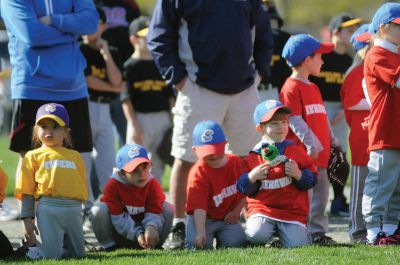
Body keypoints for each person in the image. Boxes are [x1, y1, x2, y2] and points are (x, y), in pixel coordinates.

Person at [147, 0, 273, 249]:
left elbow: (264, 31)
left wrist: (259, 73)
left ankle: (256, 223)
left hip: (244, 88)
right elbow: (158, 36)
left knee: (251, 159)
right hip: (197, 86)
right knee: (185, 160)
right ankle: (179, 226)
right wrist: (179, 79)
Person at [1, 0, 98, 186]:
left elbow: (91, 23)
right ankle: (29, 214)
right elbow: (32, 34)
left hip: (73, 88)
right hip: (32, 87)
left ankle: (70, 213)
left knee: (74, 159)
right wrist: (71, 34)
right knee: (30, 158)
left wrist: (53, 20)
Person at [280, 34, 338, 245]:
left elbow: (322, 116)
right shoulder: (291, 87)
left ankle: (318, 233)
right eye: (320, 57)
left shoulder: (313, 87)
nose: (323, 61)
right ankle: (302, 231)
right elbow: (294, 120)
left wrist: (333, 139)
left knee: (322, 196)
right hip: (304, 156)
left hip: (320, 155)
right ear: (307, 60)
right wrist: (311, 145)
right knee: (304, 197)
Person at [237, 100, 317, 248]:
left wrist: (299, 175)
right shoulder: (254, 156)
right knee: (255, 235)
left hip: (292, 212)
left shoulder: (297, 152)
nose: (281, 127)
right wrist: (251, 177)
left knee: (298, 245)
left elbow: (312, 179)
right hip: (263, 210)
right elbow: (242, 188)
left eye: (284, 122)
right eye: (274, 123)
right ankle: (267, 239)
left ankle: (284, 238)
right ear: (260, 128)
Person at [15, 103, 88, 259]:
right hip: (48, 208)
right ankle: (30, 249)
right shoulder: (33, 156)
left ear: (66, 132)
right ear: (36, 131)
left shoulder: (75, 156)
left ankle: (61, 247)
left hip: (73, 209)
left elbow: (81, 185)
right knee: (50, 256)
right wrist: (27, 219)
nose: (48, 131)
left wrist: (80, 209)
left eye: (55, 127)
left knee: (78, 255)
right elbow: (25, 190)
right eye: (43, 126)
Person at [310, 13, 361, 216]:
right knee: (315, 154)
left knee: (338, 156)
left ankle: (339, 200)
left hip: (340, 109)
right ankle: (312, 201)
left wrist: (343, 109)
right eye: (348, 30)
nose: (352, 34)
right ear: (335, 32)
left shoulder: (350, 60)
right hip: (317, 108)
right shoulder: (322, 55)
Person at [362, 2, 400, 246]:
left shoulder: (394, 53)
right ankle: (373, 232)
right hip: (385, 131)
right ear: (384, 28)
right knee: (381, 184)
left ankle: (390, 228)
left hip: (396, 130)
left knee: (396, 186)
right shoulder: (377, 54)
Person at [80, 6, 123, 216]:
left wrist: (106, 53)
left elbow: (117, 80)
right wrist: (114, 88)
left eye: (95, 22)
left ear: (104, 25)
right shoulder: (79, 48)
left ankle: (109, 207)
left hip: (105, 109)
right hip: (85, 106)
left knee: (108, 162)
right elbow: (88, 80)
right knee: (84, 161)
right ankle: (86, 208)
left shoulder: (110, 51)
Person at [90, 144, 174, 250]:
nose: (142, 174)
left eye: (145, 167)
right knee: (98, 210)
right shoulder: (113, 185)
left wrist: (151, 227)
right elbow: (118, 219)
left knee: (169, 208)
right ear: (122, 174)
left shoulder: (152, 184)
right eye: (134, 170)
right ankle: (109, 246)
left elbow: (155, 211)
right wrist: (138, 233)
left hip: (147, 234)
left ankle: (155, 245)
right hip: (120, 234)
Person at [122, 16, 175, 185]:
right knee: (135, 161)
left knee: (158, 162)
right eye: (145, 36)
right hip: (140, 118)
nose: (150, 38)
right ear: (133, 39)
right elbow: (126, 99)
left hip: (162, 118)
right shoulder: (130, 66)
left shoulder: (160, 64)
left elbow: (170, 96)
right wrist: (134, 124)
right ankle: (133, 201)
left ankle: (155, 201)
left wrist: (173, 120)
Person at [185, 120, 246, 249]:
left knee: (236, 243)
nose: (213, 154)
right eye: (207, 151)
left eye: (216, 149)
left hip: (226, 217)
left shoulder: (237, 163)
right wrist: (201, 232)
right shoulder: (198, 173)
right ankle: (198, 235)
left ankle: (223, 238)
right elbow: (199, 207)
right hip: (203, 218)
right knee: (198, 245)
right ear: (195, 150)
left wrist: (236, 211)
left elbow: (246, 192)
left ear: (226, 144)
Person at [340, 24, 372, 243]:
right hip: (362, 137)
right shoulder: (356, 72)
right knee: (360, 189)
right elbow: (352, 102)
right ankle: (356, 231)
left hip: (377, 136)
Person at [95, 0, 142, 147]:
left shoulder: (129, 4)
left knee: (126, 133)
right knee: (94, 140)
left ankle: (124, 168)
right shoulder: (87, 3)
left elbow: (137, 35)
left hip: (122, 79)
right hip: (94, 79)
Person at [258, 0, 291, 101]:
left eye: (274, 24)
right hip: (254, 90)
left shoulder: (283, 42)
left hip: (275, 90)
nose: (271, 28)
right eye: (268, 23)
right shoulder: (251, 40)